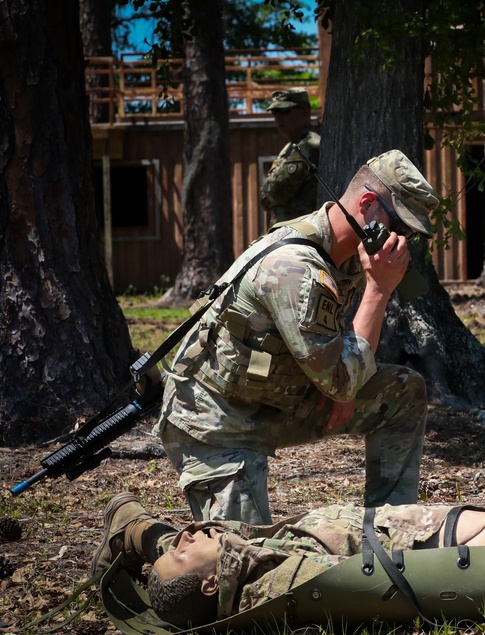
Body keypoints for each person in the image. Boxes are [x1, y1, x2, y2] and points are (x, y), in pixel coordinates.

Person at [155, 149, 438, 524]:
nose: (402, 242)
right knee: (248, 565)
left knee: (402, 389)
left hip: (276, 397)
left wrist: (341, 383)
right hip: (218, 421)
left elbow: (335, 361)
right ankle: (131, 532)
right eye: (399, 227)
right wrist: (378, 291)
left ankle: (390, 532)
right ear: (367, 204)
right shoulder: (295, 268)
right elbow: (341, 383)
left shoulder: (348, 252)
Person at [93, 493, 485, 628]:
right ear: (215, 580)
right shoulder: (284, 583)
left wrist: (142, 545)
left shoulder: (242, 555)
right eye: (182, 546)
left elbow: (131, 517)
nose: (187, 530)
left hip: (458, 526)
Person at [259, 88, 322, 224]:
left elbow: (276, 192)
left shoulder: (310, 145)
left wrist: (267, 191)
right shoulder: (290, 147)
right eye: (275, 112)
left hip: (302, 232)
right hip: (288, 233)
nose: (278, 117)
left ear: (305, 111)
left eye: (285, 111)